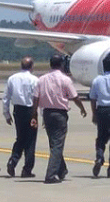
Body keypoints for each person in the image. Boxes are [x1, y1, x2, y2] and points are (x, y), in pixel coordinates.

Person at [32, 54, 87, 184]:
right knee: (57, 144)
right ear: (62, 65)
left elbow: (35, 98)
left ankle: (62, 170)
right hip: (59, 114)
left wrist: (34, 115)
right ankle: (50, 175)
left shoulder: (41, 79)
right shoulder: (65, 79)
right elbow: (74, 96)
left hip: (47, 113)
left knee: (54, 143)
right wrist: (82, 108)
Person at [3, 56, 38, 178]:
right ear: (31, 66)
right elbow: (37, 98)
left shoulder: (12, 78)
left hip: (18, 110)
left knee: (20, 138)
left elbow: (6, 97)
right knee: (31, 141)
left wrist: (6, 114)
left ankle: (13, 160)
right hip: (30, 110)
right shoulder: (34, 79)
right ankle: (27, 169)